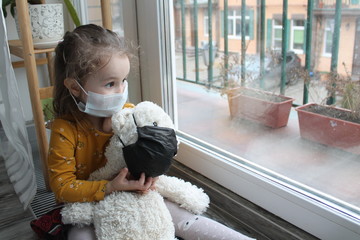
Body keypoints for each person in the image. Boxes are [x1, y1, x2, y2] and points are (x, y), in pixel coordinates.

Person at [49, 24, 254, 240]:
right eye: (110, 84)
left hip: (136, 194)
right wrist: (109, 187)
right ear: (74, 87)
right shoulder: (65, 130)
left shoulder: (130, 116)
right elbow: (62, 187)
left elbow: (148, 153)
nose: (121, 92)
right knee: (80, 237)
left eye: (124, 81)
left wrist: (149, 176)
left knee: (184, 219)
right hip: (88, 205)